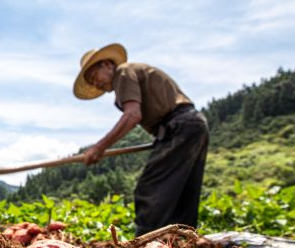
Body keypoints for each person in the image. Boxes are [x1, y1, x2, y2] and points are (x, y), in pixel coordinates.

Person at [72, 43, 209, 236]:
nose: (97, 85)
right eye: (93, 83)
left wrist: (99, 147)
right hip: (192, 125)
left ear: (106, 64)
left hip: (179, 126)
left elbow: (132, 115)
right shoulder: (131, 73)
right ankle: (183, 244)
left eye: (94, 77)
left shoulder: (124, 72)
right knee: (182, 194)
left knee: (149, 191)